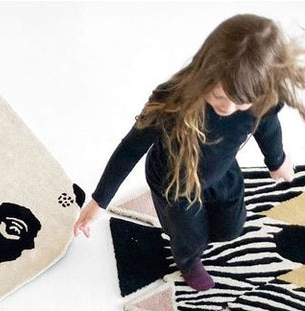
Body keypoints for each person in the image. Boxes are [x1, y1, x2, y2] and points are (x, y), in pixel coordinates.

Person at [74, 14, 305, 291]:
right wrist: (99, 200)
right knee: (191, 237)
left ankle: (201, 235)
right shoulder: (173, 101)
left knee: (231, 228)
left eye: (240, 103)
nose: (228, 108)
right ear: (206, 72)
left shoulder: (260, 99)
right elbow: (131, 147)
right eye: (219, 96)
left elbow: (267, 128)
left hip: (221, 170)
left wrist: (276, 160)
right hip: (175, 182)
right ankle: (187, 261)